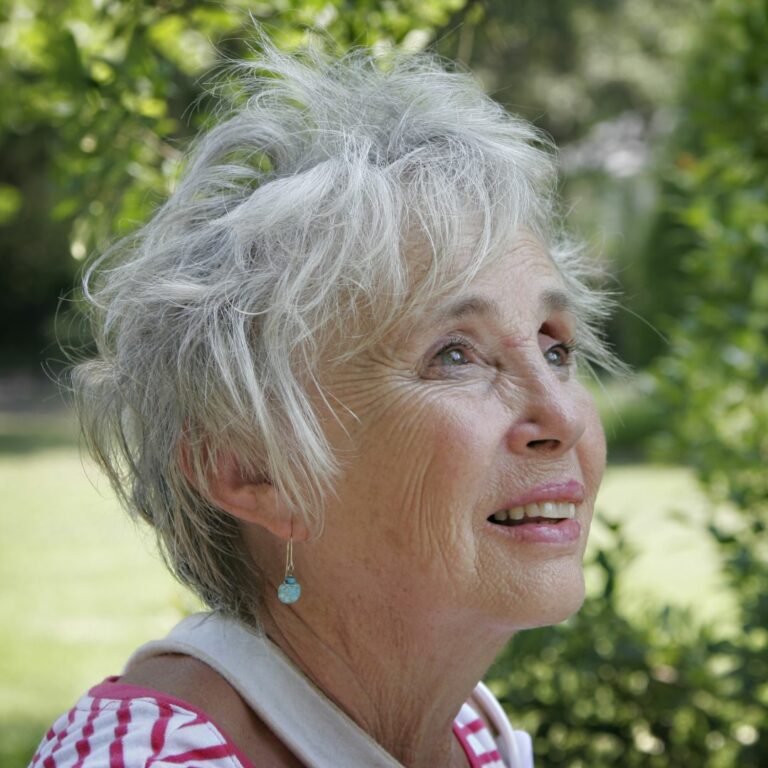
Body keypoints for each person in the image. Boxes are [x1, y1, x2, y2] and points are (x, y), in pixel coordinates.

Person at [31, 39, 617, 768]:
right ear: (251, 467)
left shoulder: (467, 733)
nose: (560, 418)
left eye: (555, 346)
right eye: (455, 355)